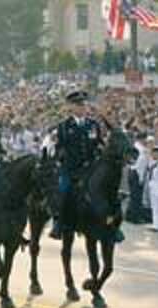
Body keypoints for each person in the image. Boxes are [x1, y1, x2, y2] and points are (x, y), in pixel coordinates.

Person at [50, 90, 109, 240]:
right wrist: (62, 156)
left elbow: (99, 144)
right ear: (72, 107)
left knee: (106, 189)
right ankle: (59, 224)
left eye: (84, 104)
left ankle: (109, 223)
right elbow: (59, 147)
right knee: (63, 191)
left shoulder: (93, 125)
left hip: (90, 167)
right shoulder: (64, 126)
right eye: (79, 105)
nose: (82, 107)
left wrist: (102, 151)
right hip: (71, 168)